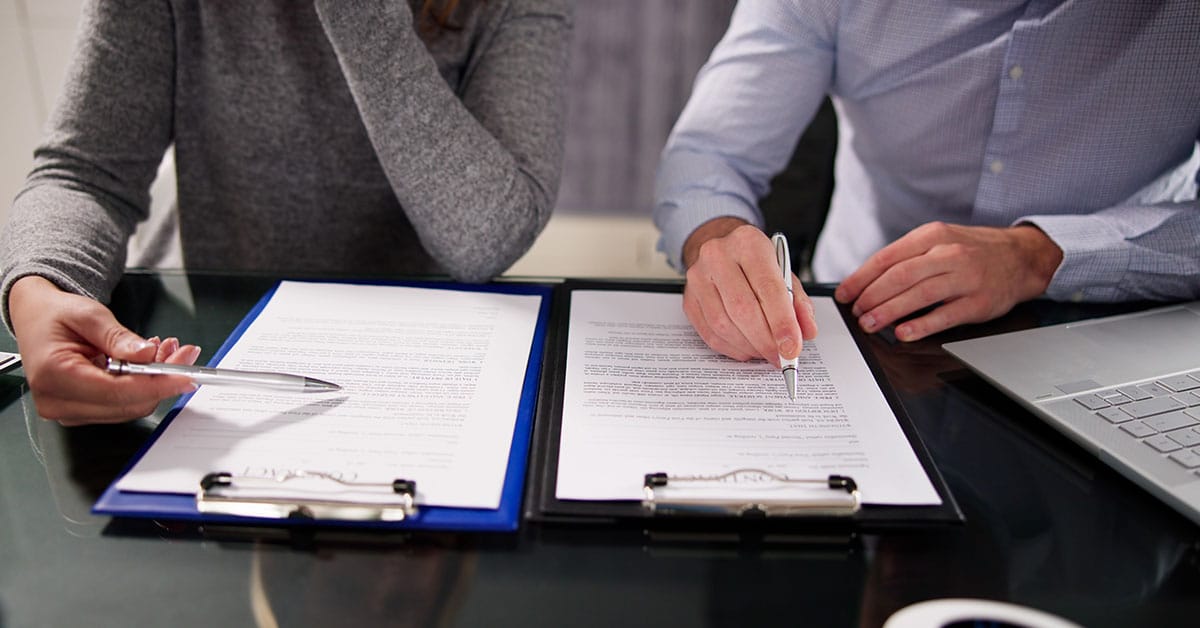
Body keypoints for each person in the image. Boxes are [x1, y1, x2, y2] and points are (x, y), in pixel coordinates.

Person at [0, 0, 571, 425]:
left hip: (431, 372)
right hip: (202, 340)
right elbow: (86, 174)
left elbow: (488, 238)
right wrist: (43, 285)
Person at [654, 0, 1200, 367]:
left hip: (1121, 331)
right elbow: (710, 152)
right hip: (861, 328)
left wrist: (1039, 256)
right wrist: (715, 238)